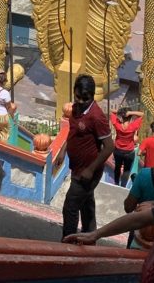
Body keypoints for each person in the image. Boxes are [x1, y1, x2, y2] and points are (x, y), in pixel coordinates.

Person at [54, 75, 113, 239]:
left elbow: (109, 146)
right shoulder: (75, 109)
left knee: (70, 207)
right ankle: (89, 236)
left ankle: (68, 242)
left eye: (85, 99)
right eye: (77, 97)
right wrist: (63, 150)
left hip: (87, 172)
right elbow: (72, 133)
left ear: (93, 96)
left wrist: (90, 169)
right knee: (87, 204)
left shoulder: (97, 117)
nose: (80, 101)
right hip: (77, 167)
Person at [110, 106, 141, 187]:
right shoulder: (133, 126)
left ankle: (116, 184)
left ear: (122, 117)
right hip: (129, 152)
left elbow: (112, 111)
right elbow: (142, 114)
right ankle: (123, 186)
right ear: (130, 117)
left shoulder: (118, 125)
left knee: (117, 168)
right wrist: (130, 113)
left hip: (118, 150)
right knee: (126, 170)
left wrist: (121, 112)